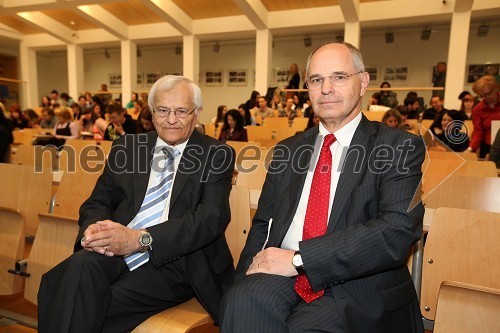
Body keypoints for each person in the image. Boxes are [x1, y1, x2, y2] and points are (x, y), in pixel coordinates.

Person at [221, 42, 425, 333]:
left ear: (363, 82)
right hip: (282, 274)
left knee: (306, 328)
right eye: (316, 80)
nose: (326, 88)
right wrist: (245, 276)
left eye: (339, 77)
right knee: (240, 303)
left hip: (356, 283)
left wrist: (300, 260)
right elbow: (263, 224)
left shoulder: (399, 147)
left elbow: (397, 230)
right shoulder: (287, 151)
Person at [38, 75, 236, 332]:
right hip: (116, 248)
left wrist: (140, 239)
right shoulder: (128, 147)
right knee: (73, 271)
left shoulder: (216, 154)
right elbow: (98, 202)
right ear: (152, 113)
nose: (171, 119)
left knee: (84, 301)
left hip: (176, 262)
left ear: (197, 114)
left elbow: (211, 218)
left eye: (182, 111)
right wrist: (93, 230)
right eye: (163, 110)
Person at [467, 75, 500, 157]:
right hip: (488, 147)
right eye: (481, 96)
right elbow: (478, 131)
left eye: (487, 94)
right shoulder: (477, 110)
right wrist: (470, 148)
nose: (485, 98)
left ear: (496, 88)